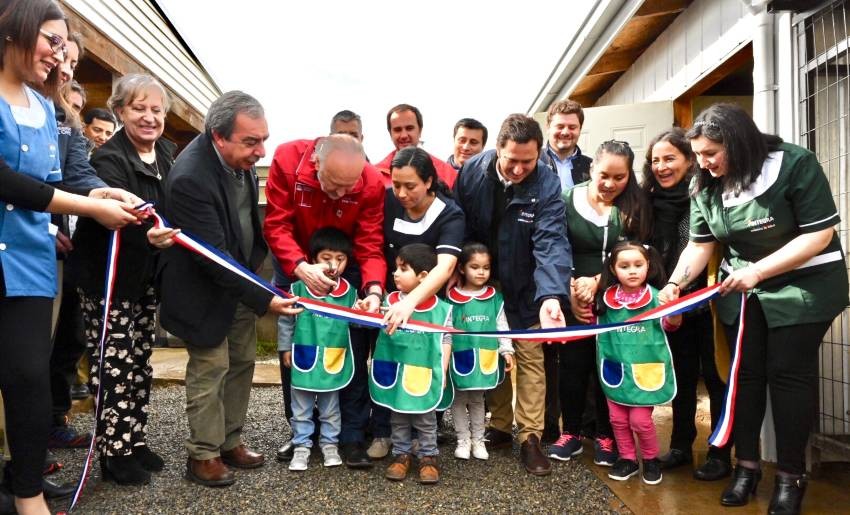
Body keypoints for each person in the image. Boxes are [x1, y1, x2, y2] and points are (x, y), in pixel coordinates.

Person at [659, 103, 848, 513]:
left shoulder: (794, 164)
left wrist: (759, 272)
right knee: (744, 376)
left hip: (804, 285)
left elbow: (818, 235)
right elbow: (700, 243)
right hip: (744, 286)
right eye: (699, 154)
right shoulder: (705, 184)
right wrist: (676, 283)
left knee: (787, 375)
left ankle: (789, 476)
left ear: (739, 143)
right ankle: (746, 468)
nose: (703, 163)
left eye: (711, 153)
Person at [0, 2, 137, 513]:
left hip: (30, 262)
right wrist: (86, 205)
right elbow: (8, 182)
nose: (60, 55)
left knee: (28, 378)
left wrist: (107, 196)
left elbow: (59, 181)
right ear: (14, 30)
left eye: (64, 45)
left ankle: (27, 495)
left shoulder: (45, 109)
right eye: (51, 41)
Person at [159, 90, 300, 488]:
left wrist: (255, 279)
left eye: (263, 139)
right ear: (219, 136)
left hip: (238, 281)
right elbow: (212, 256)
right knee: (211, 368)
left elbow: (245, 230)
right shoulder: (190, 178)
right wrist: (266, 296)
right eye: (251, 141)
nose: (261, 150)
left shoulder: (239, 163)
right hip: (203, 289)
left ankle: (229, 441)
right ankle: (202, 454)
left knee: (241, 362)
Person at [71, 73, 176, 485]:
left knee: (139, 362)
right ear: (119, 111)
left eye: (156, 110)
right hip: (107, 280)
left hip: (146, 277)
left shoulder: (167, 153)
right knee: (112, 364)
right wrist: (144, 234)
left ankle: (135, 439)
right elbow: (112, 216)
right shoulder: (108, 160)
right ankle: (114, 453)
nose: (149, 117)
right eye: (139, 109)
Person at [454, 113, 571, 476]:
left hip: (529, 281)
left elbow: (551, 241)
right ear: (498, 150)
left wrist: (551, 294)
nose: (520, 169)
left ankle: (530, 437)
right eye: (512, 160)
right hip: (484, 280)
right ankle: (500, 426)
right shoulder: (473, 171)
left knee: (531, 355)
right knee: (495, 352)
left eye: (528, 161)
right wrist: (460, 275)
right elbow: (459, 224)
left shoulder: (547, 183)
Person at [264, 133, 385, 468]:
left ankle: (351, 436)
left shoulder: (372, 183)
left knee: (352, 349)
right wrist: (301, 267)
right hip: (296, 260)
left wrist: (374, 290)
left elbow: (370, 242)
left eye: (350, 187)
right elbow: (276, 224)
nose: (342, 194)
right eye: (334, 186)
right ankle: (303, 433)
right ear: (316, 162)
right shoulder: (287, 159)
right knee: (297, 347)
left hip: (347, 265)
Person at [550, 140, 650, 467]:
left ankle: (607, 436)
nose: (610, 184)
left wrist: (598, 283)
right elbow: (553, 246)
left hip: (615, 299)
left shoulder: (635, 205)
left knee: (609, 367)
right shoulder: (566, 200)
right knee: (574, 366)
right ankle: (572, 433)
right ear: (592, 169)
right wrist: (571, 291)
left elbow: (638, 253)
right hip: (574, 296)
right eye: (604, 175)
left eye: (619, 178)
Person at [366, 146, 466, 459]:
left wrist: (410, 303)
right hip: (389, 295)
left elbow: (445, 266)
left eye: (410, 186)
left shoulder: (450, 213)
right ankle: (384, 432)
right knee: (387, 359)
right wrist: (375, 292)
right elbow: (373, 246)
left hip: (426, 303)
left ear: (429, 182)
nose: (402, 193)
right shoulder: (387, 203)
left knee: (425, 364)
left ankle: (426, 439)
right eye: (396, 185)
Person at [642, 128, 728, 479]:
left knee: (716, 376)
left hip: (709, 301)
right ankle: (680, 445)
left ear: (690, 160)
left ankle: (720, 451)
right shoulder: (646, 202)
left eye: (669, 158)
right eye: (655, 161)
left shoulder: (707, 194)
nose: (661, 166)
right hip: (671, 305)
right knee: (680, 377)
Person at [593, 241, 681, 485]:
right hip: (616, 369)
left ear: (648, 265)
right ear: (613, 268)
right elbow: (595, 326)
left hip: (646, 372)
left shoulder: (656, 297)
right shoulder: (605, 299)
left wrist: (674, 311)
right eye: (624, 266)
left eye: (638, 265)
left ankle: (651, 459)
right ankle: (628, 459)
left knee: (640, 421)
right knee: (618, 420)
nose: (632, 270)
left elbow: (670, 325)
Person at [370, 244, 451, 485]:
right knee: (398, 417)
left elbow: (446, 339)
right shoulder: (389, 300)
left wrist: (443, 370)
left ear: (423, 277)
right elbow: (374, 322)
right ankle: (401, 455)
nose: (395, 273)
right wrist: (366, 308)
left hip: (424, 374)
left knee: (426, 420)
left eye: (403, 269)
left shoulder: (442, 309)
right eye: (396, 268)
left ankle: (428, 457)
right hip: (394, 372)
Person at [283, 228, 357, 472]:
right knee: (301, 408)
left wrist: (366, 310)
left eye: (340, 259)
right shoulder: (297, 288)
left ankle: (329, 445)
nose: (333, 265)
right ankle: (301, 446)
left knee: (330, 409)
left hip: (333, 361)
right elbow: (286, 320)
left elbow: (357, 321)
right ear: (313, 258)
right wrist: (285, 347)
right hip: (303, 358)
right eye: (327, 258)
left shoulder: (350, 293)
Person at [447, 242, 514, 460]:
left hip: (486, 359)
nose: (481, 272)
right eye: (475, 267)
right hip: (459, 358)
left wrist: (506, 349)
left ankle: (478, 440)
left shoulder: (495, 297)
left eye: (486, 267)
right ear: (462, 269)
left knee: (478, 400)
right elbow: (444, 330)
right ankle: (462, 439)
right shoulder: (450, 299)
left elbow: (501, 324)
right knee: (458, 400)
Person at [375, 103, 457, 188]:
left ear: (420, 130)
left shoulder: (447, 173)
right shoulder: (376, 174)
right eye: (397, 130)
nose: (404, 135)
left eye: (409, 128)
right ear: (390, 134)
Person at [542, 99, 592, 191]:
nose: (565, 132)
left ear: (580, 129)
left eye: (572, 127)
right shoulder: (533, 162)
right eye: (560, 127)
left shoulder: (592, 167)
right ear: (548, 128)